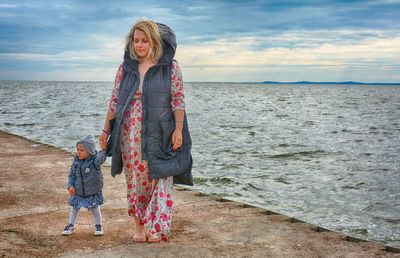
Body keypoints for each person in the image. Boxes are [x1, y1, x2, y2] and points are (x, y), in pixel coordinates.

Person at [99, 19, 192, 243]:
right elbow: (114, 101)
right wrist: (104, 131)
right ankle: (140, 227)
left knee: (159, 175)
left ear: (154, 42)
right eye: (136, 40)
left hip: (160, 130)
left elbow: (178, 101)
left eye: (144, 40)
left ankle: (156, 225)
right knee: (136, 180)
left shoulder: (171, 67)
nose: (139, 45)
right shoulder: (126, 68)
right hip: (129, 130)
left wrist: (178, 130)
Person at [62, 135, 107, 236]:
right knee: (74, 208)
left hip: (92, 191)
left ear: (90, 151)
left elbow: (102, 158)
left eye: (82, 150)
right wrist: (70, 186)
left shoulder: (95, 161)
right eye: (77, 149)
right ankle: (71, 225)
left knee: (95, 208)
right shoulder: (76, 162)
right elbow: (71, 175)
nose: (78, 152)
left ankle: (98, 225)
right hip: (78, 191)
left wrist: (104, 149)